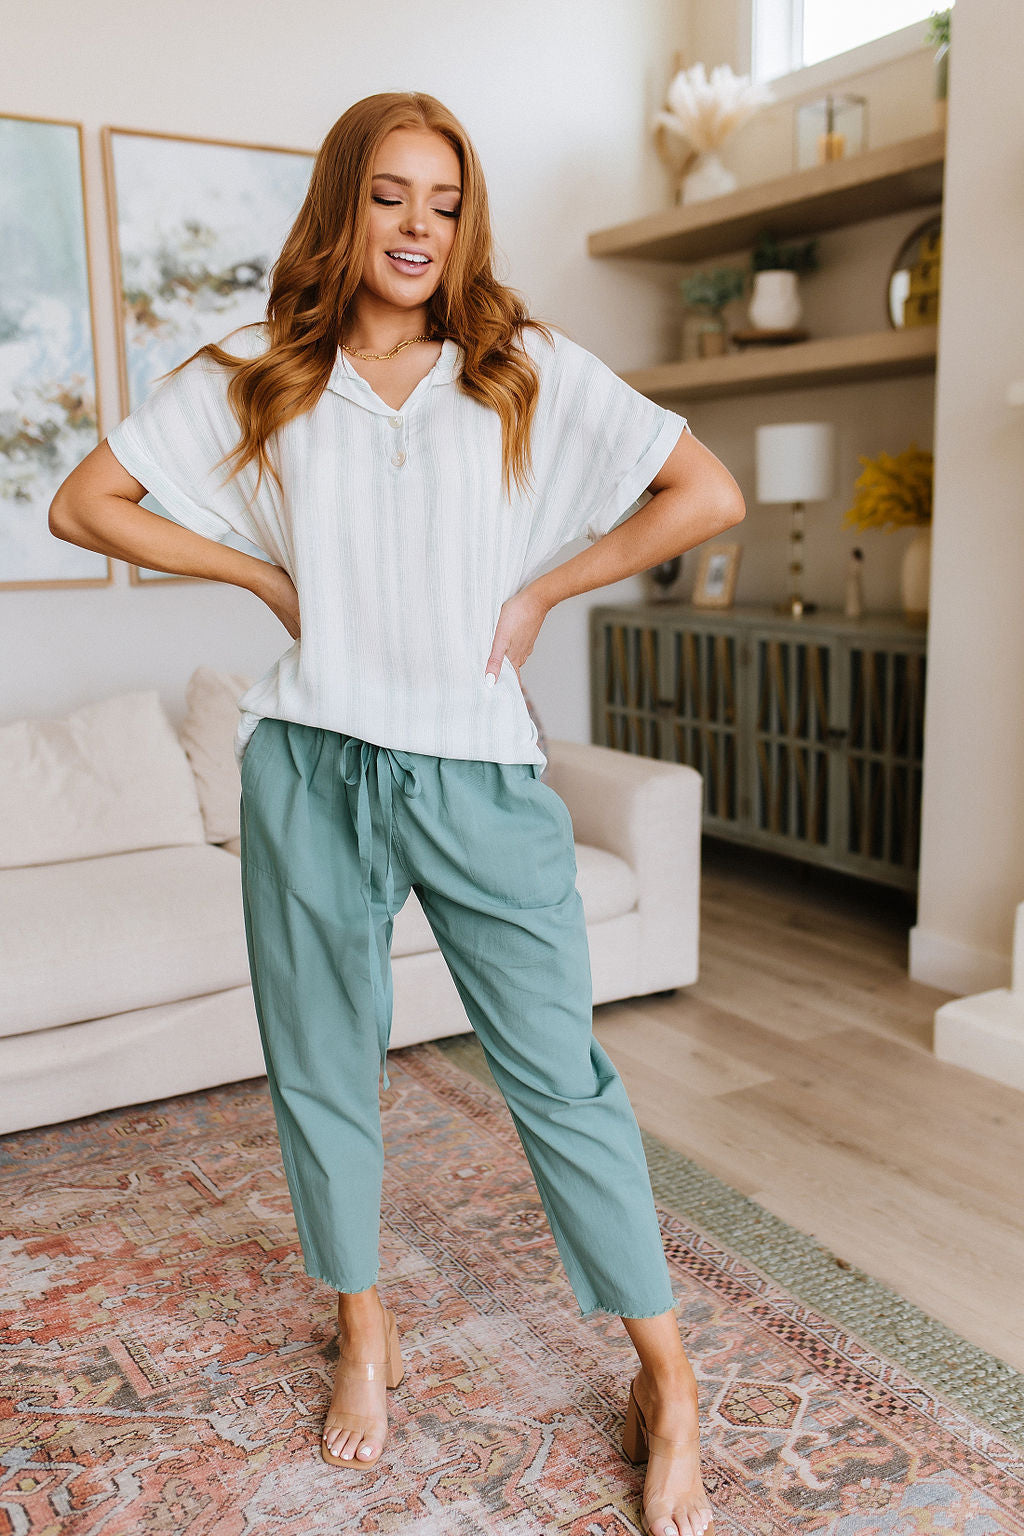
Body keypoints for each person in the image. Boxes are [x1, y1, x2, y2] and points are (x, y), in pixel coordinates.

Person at [50, 90, 744, 1536]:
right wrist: (263, 578)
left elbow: (705, 491)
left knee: (563, 1080)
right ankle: (367, 1337)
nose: (418, 226)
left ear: (464, 219)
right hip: (307, 762)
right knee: (319, 1068)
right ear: (342, 208)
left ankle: (667, 1382)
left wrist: (551, 582)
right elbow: (87, 502)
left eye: (442, 199)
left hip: (481, 773)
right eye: (388, 196)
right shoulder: (264, 377)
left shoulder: (516, 370)